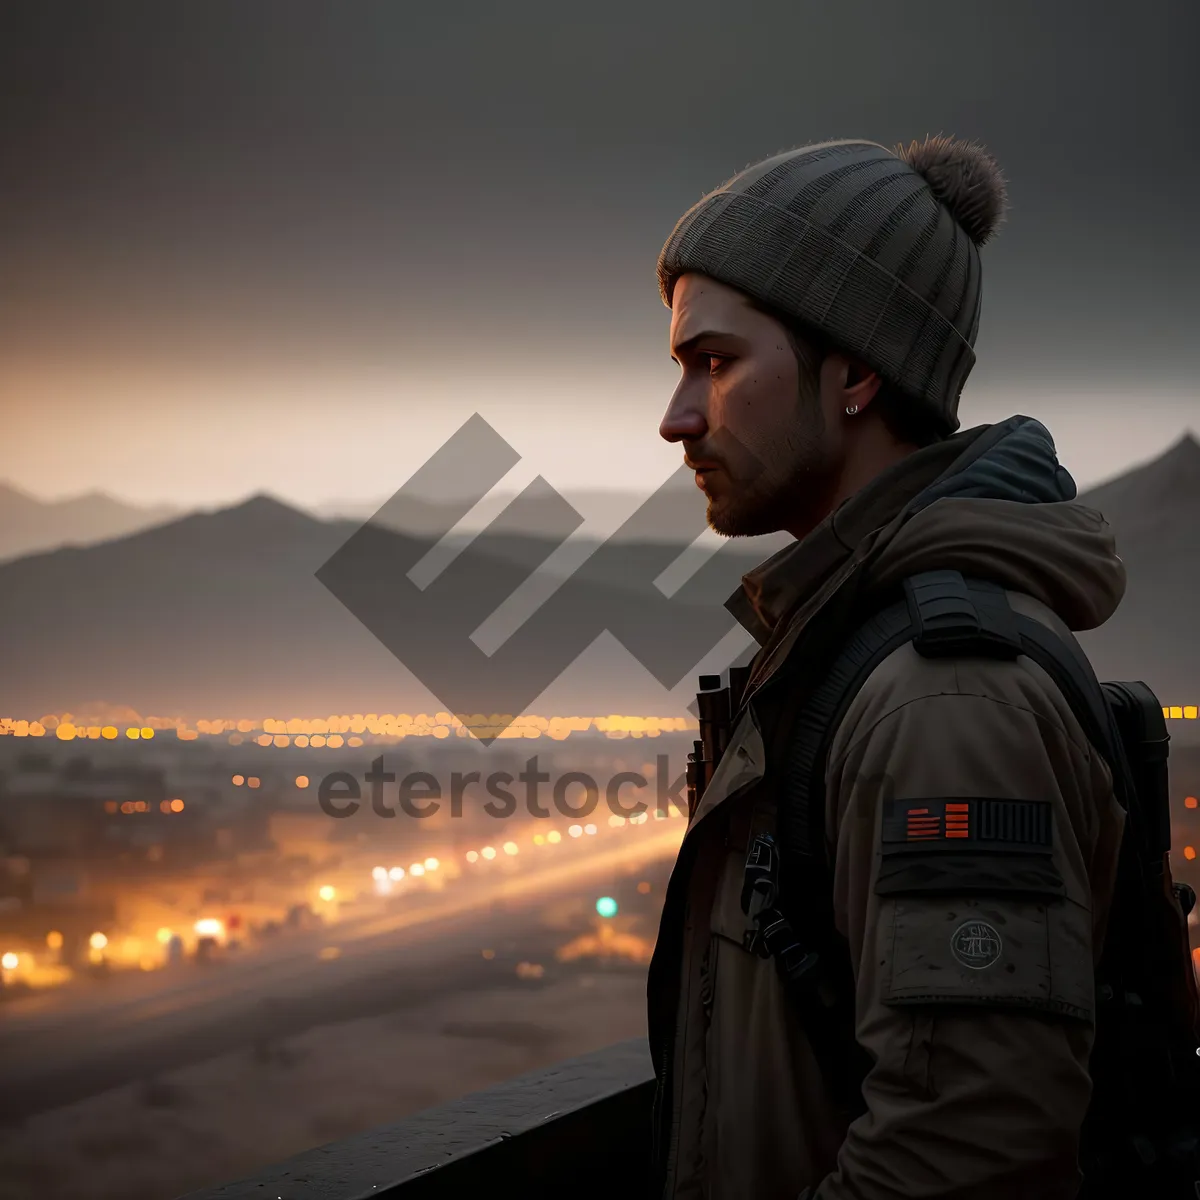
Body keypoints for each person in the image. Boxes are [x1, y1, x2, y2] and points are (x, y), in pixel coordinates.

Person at [647, 136, 1127, 1199]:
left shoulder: (942, 700)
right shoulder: (843, 648)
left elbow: (968, 1151)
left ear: (857, 372)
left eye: (715, 363)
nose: (677, 417)